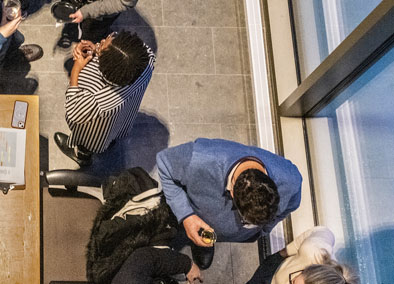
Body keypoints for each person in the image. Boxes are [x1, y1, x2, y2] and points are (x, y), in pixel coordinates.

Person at [156, 138, 303, 270]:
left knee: (209, 238)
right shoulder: (198, 159)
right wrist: (186, 216)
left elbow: (290, 206)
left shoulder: (291, 181)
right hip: (195, 216)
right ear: (232, 191)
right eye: (246, 221)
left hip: (218, 231)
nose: (248, 226)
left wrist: (264, 230)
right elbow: (164, 162)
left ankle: (207, 242)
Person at [54, 32, 155, 167]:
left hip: (94, 134)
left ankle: (82, 156)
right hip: (123, 118)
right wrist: (98, 49)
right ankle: (110, 142)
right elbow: (134, 52)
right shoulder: (146, 61)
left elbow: (74, 111)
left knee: (89, 143)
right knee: (112, 134)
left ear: (104, 66)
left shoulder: (91, 87)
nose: (101, 41)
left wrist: (76, 69)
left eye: (102, 45)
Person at [245, 226, 356, 284]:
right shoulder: (314, 250)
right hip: (273, 271)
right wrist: (285, 251)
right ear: (309, 268)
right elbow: (324, 231)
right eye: (294, 282)